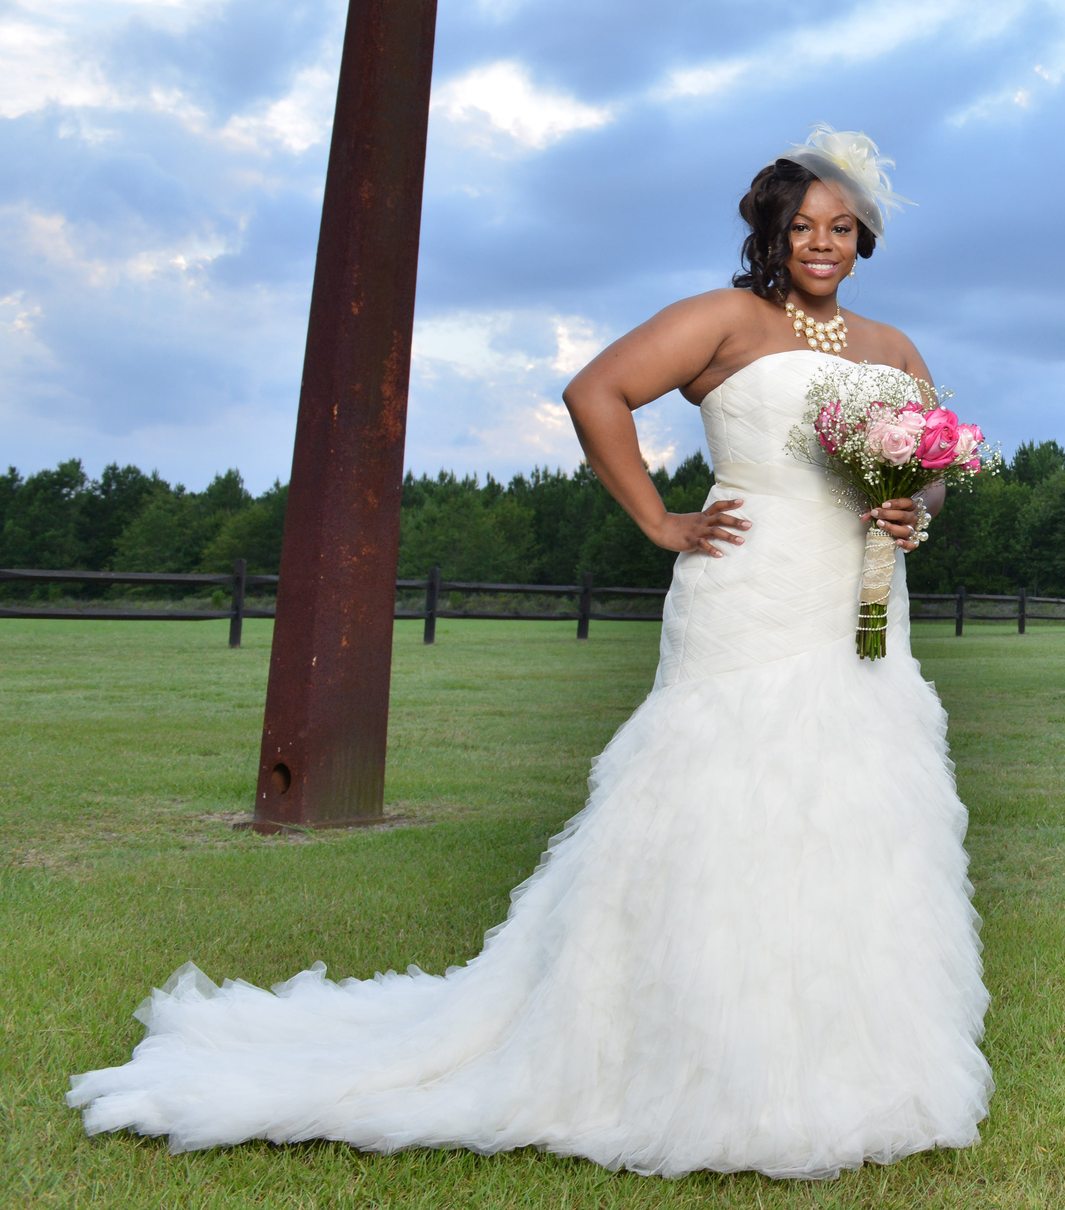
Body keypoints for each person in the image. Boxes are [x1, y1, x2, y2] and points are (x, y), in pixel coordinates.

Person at [67, 128, 992, 1179]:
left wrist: (913, 507)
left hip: (863, 599)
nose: (820, 244)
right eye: (800, 229)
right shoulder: (725, 320)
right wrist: (657, 520)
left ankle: (853, 1058)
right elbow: (596, 391)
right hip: (751, 586)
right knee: (731, 789)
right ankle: (696, 1054)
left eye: (839, 229)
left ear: (863, 238)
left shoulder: (893, 347)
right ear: (771, 237)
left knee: (855, 800)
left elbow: (930, 467)